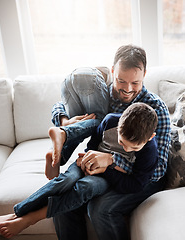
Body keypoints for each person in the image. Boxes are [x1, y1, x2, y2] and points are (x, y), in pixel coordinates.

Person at [51, 44, 171, 240]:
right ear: (113, 71)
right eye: (121, 81)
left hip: (142, 178)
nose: (127, 89)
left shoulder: (156, 108)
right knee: (64, 202)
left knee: (100, 209)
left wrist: (111, 161)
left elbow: (158, 170)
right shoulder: (102, 95)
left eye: (135, 83)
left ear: (145, 75)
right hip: (99, 167)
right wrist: (64, 120)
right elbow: (61, 102)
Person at [0, 103, 159, 239]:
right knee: (65, 180)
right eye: (122, 142)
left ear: (150, 137)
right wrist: (84, 159)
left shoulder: (150, 150)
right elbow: (92, 145)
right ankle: (17, 212)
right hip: (87, 163)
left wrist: (106, 169)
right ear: (120, 122)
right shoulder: (110, 121)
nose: (127, 149)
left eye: (134, 148)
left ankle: (28, 219)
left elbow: (135, 185)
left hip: (107, 176)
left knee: (85, 187)